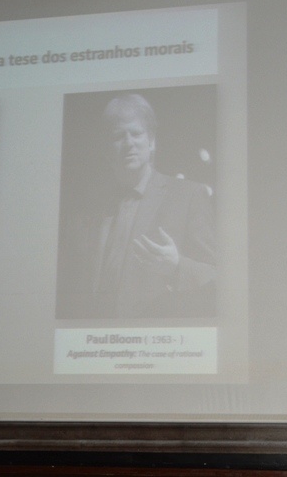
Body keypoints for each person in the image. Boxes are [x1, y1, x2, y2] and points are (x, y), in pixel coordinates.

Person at [56, 93, 216, 318]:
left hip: (157, 343)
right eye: (118, 136)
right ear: (106, 148)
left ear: (152, 142)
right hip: (93, 342)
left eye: (136, 133)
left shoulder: (189, 195)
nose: (128, 143)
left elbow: (216, 276)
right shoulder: (87, 209)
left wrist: (176, 266)